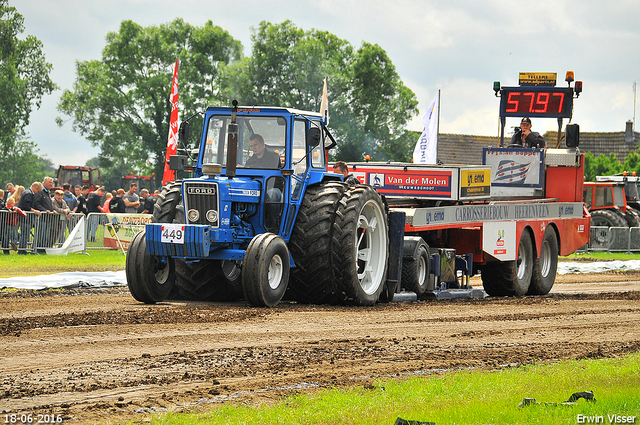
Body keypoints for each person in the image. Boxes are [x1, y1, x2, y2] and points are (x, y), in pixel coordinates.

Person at [17, 182, 43, 254]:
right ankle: (22, 250)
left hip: (25, 217)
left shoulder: (27, 192)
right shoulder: (29, 193)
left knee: (25, 234)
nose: (37, 192)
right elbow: (26, 206)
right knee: (25, 234)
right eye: (38, 191)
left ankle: (22, 249)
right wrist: (35, 211)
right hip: (26, 218)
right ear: (35, 188)